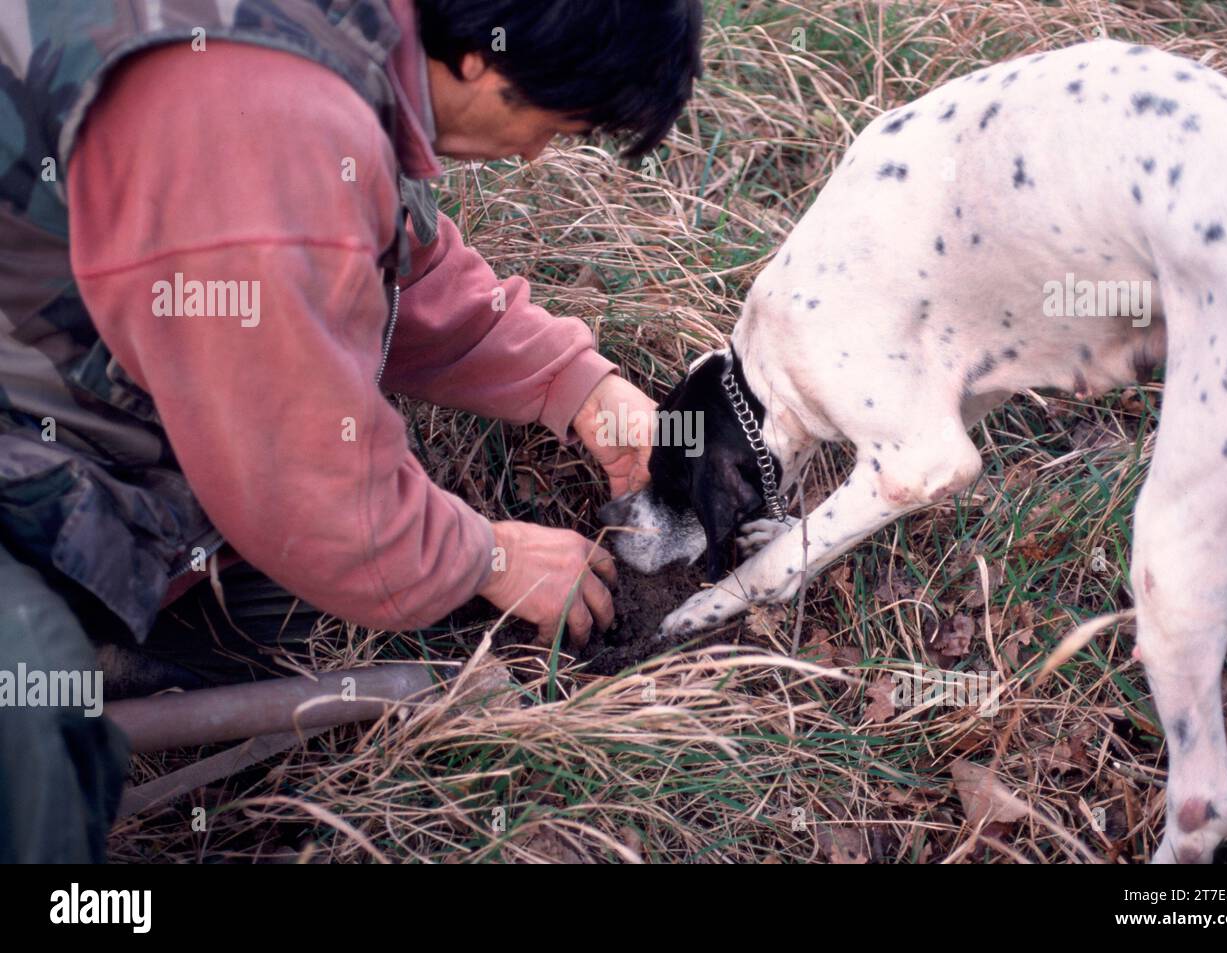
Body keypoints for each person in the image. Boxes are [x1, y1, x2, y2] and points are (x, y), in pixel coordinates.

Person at [0, 0, 703, 862]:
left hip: (82, 425)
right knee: (32, 729)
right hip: (24, 461)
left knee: (343, 619)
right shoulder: (259, 115)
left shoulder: (360, 38)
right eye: (547, 125)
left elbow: (374, 265)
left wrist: (577, 384)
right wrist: (487, 554)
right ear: (484, 59)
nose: (530, 156)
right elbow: (308, 488)